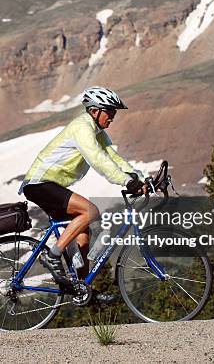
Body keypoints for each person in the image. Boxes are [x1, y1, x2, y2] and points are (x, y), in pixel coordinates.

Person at [18, 85, 145, 302]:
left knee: (83, 235)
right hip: (40, 183)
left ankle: (83, 289)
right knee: (90, 211)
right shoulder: (82, 127)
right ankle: (53, 255)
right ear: (95, 111)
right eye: (110, 112)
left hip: (53, 185)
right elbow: (97, 159)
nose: (113, 117)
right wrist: (125, 181)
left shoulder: (98, 133)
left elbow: (112, 157)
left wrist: (137, 177)